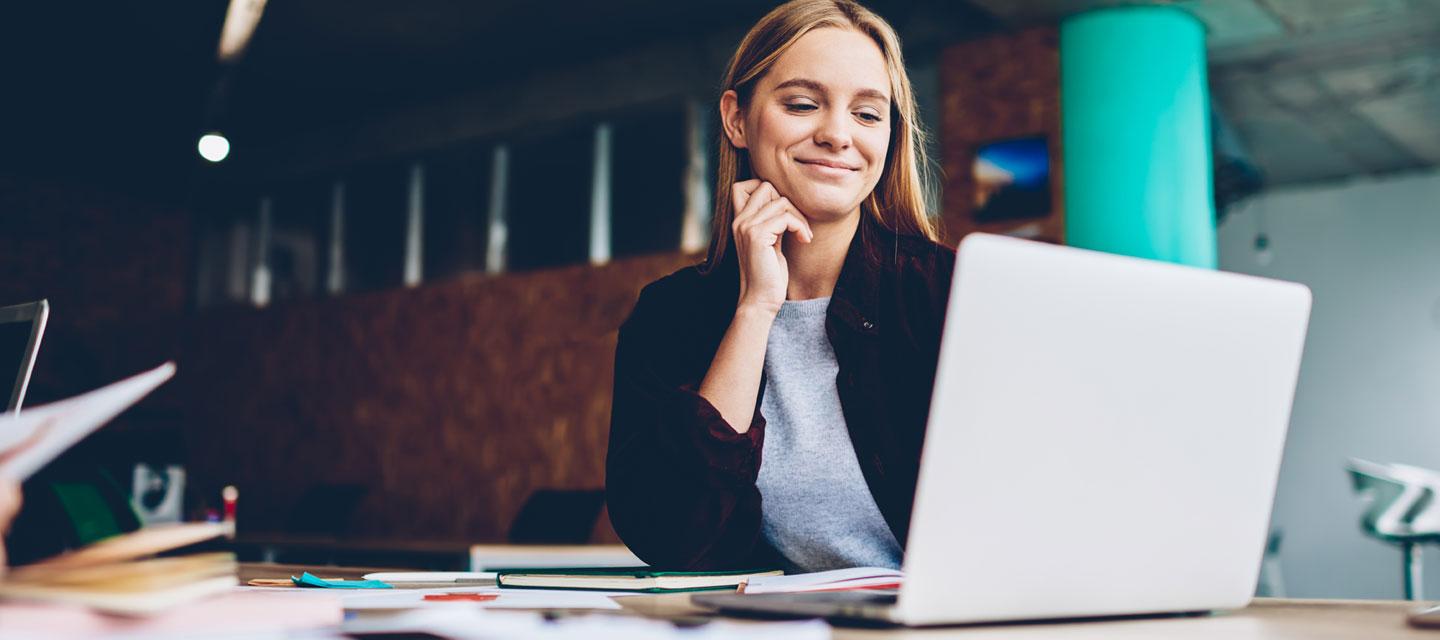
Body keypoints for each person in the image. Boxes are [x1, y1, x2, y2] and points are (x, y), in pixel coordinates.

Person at [606, 0, 954, 572]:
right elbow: (670, 533)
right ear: (737, 119)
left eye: (868, 114)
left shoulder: (946, 294)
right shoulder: (671, 314)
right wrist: (755, 308)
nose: (839, 134)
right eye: (802, 104)